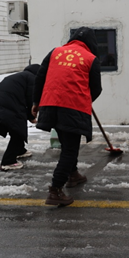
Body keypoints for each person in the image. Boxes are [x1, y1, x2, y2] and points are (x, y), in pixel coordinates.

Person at [32, 27, 102, 206]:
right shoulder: (90, 58)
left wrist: (36, 103)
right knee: (70, 149)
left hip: (50, 104)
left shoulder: (55, 52)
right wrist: (85, 100)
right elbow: (96, 88)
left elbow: (40, 77)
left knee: (66, 143)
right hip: (72, 106)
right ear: (91, 43)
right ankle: (55, 190)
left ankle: (73, 174)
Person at [0, 64, 41, 171]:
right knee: (18, 132)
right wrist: (31, 116)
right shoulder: (32, 78)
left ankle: (20, 150)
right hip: (9, 108)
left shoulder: (19, 76)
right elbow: (31, 100)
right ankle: (8, 162)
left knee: (16, 128)